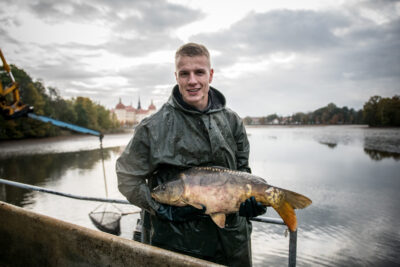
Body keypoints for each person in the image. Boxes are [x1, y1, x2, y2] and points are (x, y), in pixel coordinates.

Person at [116, 42, 266, 267]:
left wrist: (250, 201)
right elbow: (126, 178)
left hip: (233, 243)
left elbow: (242, 171)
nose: (192, 80)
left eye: (199, 72)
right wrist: (162, 209)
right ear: (176, 76)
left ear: (211, 75)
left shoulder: (232, 121)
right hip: (176, 246)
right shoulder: (152, 127)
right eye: (184, 73)